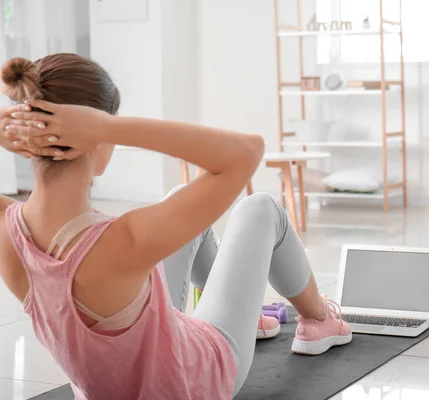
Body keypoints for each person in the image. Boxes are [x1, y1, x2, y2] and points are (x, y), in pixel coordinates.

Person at [0, 54, 351, 400]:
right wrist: (107, 126)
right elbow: (247, 150)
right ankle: (318, 321)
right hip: (198, 382)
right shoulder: (124, 241)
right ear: (94, 133)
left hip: (111, 377)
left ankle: (246, 315)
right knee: (260, 208)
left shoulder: (8, 229)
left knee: (182, 197)